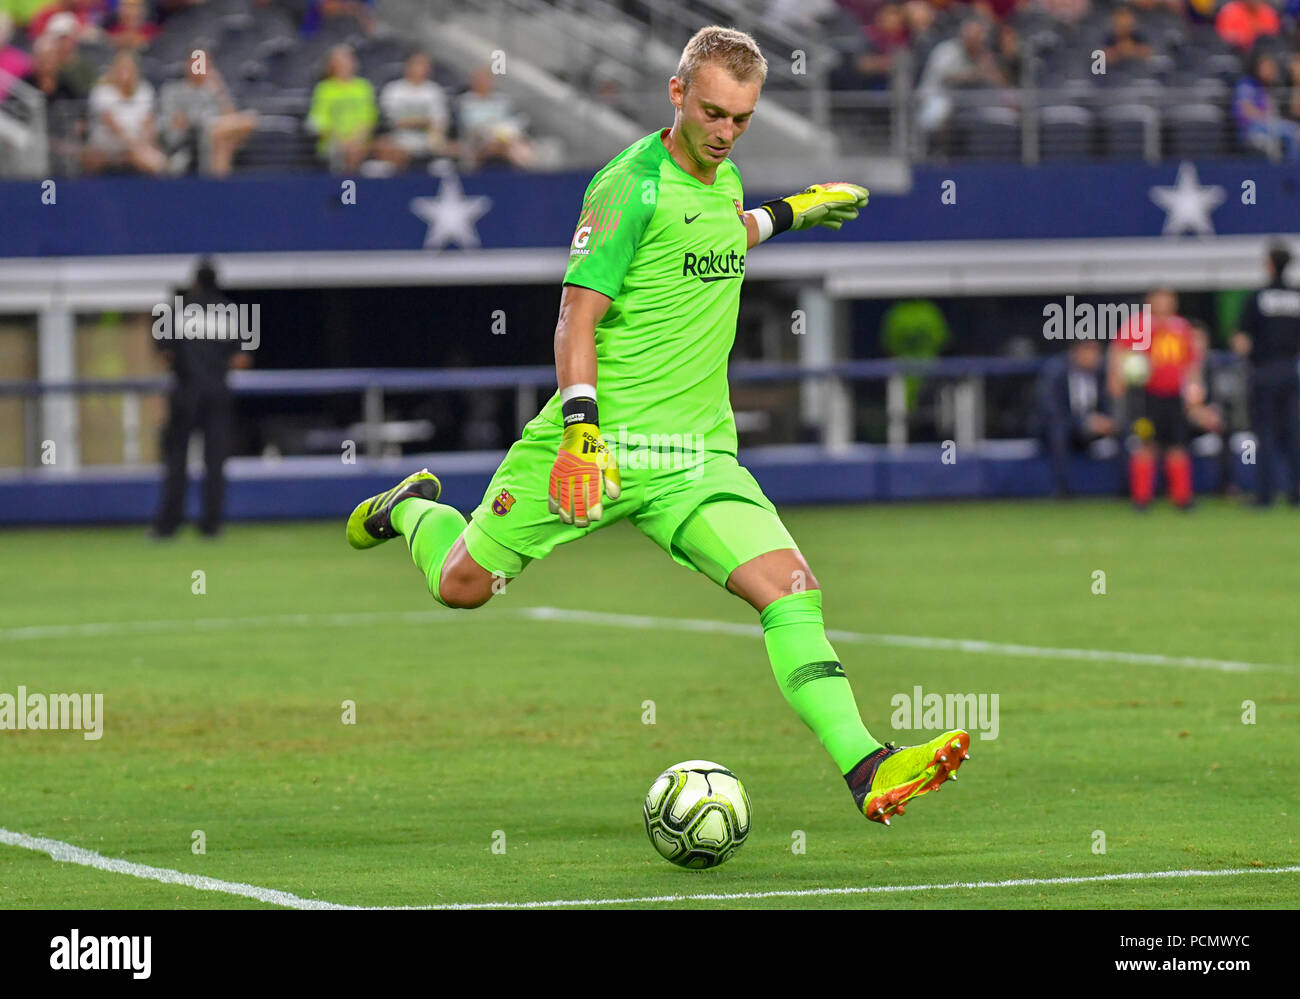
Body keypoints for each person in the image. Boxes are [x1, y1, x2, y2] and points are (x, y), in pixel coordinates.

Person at [344, 25, 970, 827]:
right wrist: (579, 432)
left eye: (741, 119)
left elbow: (715, 233)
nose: (725, 132)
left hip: (695, 456)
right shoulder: (626, 184)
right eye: (712, 113)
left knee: (793, 591)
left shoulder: (722, 176)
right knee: (461, 585)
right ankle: (410, 508)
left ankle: (867, 763)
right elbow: (576, 316)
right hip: (594, 445)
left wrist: (788, 213)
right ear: (676, 94)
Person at [152, 259, 250, 539]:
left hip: (185, 393)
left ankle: (168, 526)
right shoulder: (231, 311)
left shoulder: (178, 310)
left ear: (194, 282)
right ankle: (212, 525)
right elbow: (241, 359)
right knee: (215, 461)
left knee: (176, 461)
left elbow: (164, 354)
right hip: (217, 393)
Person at [1108, 288, 1205, 509]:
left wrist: (1194, 391)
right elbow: (1119, 352)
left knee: (1178, 446)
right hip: (1146, 396)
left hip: (1173, 397)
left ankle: (1182, 498)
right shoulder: (1138, 326)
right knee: (1145, 444)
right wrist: (1116, 379)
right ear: (1149, 301)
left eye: (1169, 299)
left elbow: (1191, 365)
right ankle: (1142, 498)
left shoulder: (1182, 328)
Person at [1233, 243, 1300, 505]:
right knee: (1293, 432)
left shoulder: (1257, 297)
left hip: (1264, 372)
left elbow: (1242, 341)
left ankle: (1265, 496)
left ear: (1269, 264)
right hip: (1292, 371)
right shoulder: (1297, 295)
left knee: (1265, 433)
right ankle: (1296, 492)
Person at [1035, 340, 1115, 498]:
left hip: (1092, 430)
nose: (1093, 357)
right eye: (1088, 351)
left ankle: (1126, 488)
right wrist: (1083, 423)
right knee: (1058, 431)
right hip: (1064, 428)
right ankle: (1062, 490)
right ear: (1075, 353)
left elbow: (1107, 404)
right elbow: (1052, 411)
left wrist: (1106, 420)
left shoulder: (1101, 373)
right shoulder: (1056, 372)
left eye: (1096, 352)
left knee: (1122, 428)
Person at [158, 50, 257, 176]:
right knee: (222, 138)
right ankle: (217, 185)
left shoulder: (213, 89)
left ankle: (216, 186)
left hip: (214, 133)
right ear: (188, 65)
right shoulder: (174, 90)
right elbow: (172, 122)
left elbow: (230, 115)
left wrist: (219, 88)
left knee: (245, 123)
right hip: (188, 138)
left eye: (204, 63)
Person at [83, 50, 166, 174]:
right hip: (106, 142)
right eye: (121, 69)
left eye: (128, 70)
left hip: (138, 142)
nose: (125, 74)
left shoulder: (145, 90)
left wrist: (145, 142)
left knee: (151, 158)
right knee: (145, 156)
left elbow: (148, 122)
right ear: (114, 71)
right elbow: (112, 124)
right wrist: (135, 145)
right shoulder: (102, 91)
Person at [374, 51, 451, 171]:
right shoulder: (393, 90)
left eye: (424, 65)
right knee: (385, 145)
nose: (421, 69)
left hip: (427, 140)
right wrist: (422, 122)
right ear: (407, 67)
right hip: (399, 139)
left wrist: (420, 124)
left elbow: (439, 122)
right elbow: (392, 122)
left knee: (454, 149)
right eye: (417, 64)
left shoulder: (434, 91)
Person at [307, 44, 377, 173]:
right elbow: (318, 121)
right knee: (350, 152)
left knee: (391, 149)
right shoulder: (324, 89)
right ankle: (349, 187)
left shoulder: (363, 87)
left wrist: (355, 139)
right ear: (332, 65)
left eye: (349, 60)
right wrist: (341, 140)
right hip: (332, 141)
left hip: (361, 141)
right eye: (341, 61)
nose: (346, 64)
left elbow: (369, 119)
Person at [455, 64, 535, 169]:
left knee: (523, 149)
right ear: (473, 81)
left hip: (504, 140)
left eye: (488, 79)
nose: (485, 82)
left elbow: (510, 121)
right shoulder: (465, 102)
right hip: (477, 139)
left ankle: (525, 179)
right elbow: (469, 127)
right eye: (481, 79)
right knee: (487, 145)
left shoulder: (502, 100)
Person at [1233, 51, 1300, 159]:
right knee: (1284, 135)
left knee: (1295, 133)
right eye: (1267, 67)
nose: (1271, 70)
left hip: (1268, 126)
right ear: (1257, 67)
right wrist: (1267, 120)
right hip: (1251, 130)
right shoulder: (1246, 84)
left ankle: (1293, 167)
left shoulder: (1268, 86)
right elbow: (1246, 110)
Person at [1215, 0, 1281, 51]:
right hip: (1239, 55)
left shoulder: (1269, 13)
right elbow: (1226, 39)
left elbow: (1274, 37)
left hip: (1265, 55)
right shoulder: (1229, 12)